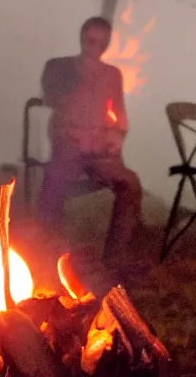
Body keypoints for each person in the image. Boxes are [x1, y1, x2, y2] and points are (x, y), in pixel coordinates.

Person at [38, 16, 142, 263]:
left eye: (100, 42)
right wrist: (79, 84)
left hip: (100, 153)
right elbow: (52, 98)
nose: (94, 46)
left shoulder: (113, 75)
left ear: (106, 45)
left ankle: (113, 261)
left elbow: (120, 113)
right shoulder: (60, 67)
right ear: (82, 37)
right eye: (90, 39)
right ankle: (46, 252)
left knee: (130, 184)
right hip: (69, 146)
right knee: (55, 180)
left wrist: (116, 136)